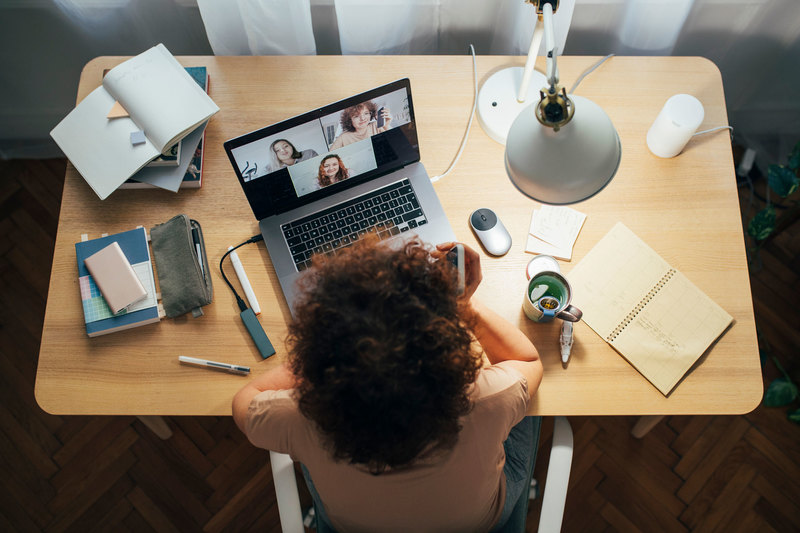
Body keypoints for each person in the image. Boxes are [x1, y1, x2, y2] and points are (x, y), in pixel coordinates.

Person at [232, 236, 543, 532]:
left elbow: (245, 399)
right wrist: (462, 305)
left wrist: (319, 352)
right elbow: (529, 361)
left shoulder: (298, 418)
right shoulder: (488, 399)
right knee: (527, 408)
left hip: (353, 527)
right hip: (478, 523)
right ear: (447, 351)